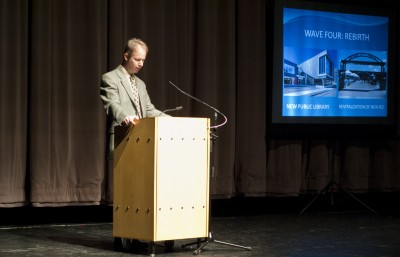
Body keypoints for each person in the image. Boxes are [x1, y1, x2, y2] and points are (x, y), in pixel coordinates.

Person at [100, 38, 168, 157]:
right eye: (137, 59)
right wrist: (125, 117)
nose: (141, 64)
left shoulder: (141, 84)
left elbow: (149, 110)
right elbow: (112, 104)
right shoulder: (110, 78)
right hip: (123, 138)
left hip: (143, 139)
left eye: (143, 60)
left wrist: (172, 120)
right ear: (126, 56)